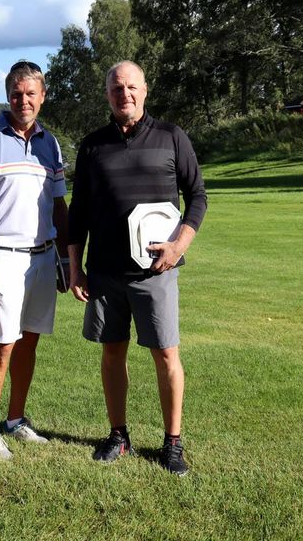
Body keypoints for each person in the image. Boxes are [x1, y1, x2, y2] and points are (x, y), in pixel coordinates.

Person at [67, 61, 207, 475]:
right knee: (113, 352)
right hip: (105, 271)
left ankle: (173, 443)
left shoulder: (171, 136)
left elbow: (197, 196)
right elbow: (78, 212)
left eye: (131, 87)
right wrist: (75, 268)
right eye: (116, 88)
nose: (124, 94)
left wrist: (179, 246)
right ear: (107, 94)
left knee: (166, 353)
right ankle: (118, 435)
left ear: (145, 91)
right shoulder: (93, 146)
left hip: (155, 272)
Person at [0, 60, 68, 459]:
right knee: (2, 345)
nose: (24, 101)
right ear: (8, 96)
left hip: (43, 256)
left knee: (29, 342)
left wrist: (67, 259)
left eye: (31, 94)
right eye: (17, 94)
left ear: (43, 97)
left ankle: (15, 419)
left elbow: (59, 206)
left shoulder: (50, 144)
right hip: (1, 256)